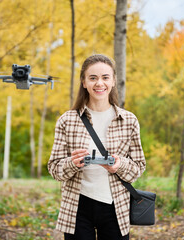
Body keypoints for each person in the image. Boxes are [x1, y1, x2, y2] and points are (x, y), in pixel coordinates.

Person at [48, 54, 146, 239]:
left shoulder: (129, 120)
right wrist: (72, 163)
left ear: (113, 81)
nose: (99, 83)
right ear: (83, 82)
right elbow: (54, 169)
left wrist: (119, 166)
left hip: (116, 206)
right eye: (92, 78)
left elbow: (139, 167)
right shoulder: (67, 120)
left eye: (105, 77)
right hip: (77, 206)